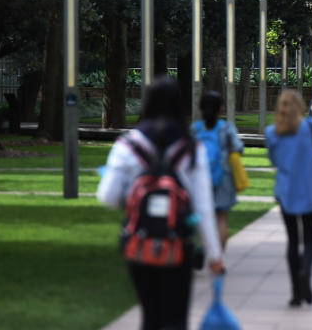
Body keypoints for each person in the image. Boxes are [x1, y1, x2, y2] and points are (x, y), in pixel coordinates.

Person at [97, 77, 224, 330]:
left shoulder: (128, 145)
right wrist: (214, 254)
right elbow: (203, 206)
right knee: (176, 318)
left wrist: (134, 198)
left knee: (150, 317)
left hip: (139, 241)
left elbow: (107, 196)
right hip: (178, 242)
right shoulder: (190, 147)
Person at [265, 89, 312, 306]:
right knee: (309, 239)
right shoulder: (309, 126)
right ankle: (306, 271)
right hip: (308, 188)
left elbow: (273, 160)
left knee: (291, 241)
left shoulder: (272, 132)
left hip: (286, 190)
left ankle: (296, 293)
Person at [191, 91, 244, 250]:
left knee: (203, 217)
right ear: (221, 108)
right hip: (223, 176)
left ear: (200, 107)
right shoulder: (226, 128)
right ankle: (218, 258)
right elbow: (238, 148)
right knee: (221, 218)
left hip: (200, 177)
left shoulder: (195, 129)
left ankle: (203, 250)